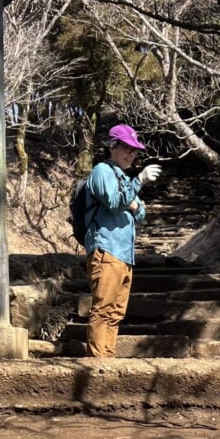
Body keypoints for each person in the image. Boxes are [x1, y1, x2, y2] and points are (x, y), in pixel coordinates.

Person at [82, 123, 162, 358]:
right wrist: (139, 182)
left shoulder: (122, 177)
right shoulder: (102, 172)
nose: (132, 154)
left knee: (116, 311)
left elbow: (141, 213)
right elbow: (114, 202)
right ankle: (98, 363)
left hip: (124, 254)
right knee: (103, 307)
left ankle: (108, 357)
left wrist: (133, 200)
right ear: (112, 146)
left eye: (134, 150)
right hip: (106, 248)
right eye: (127, 148)